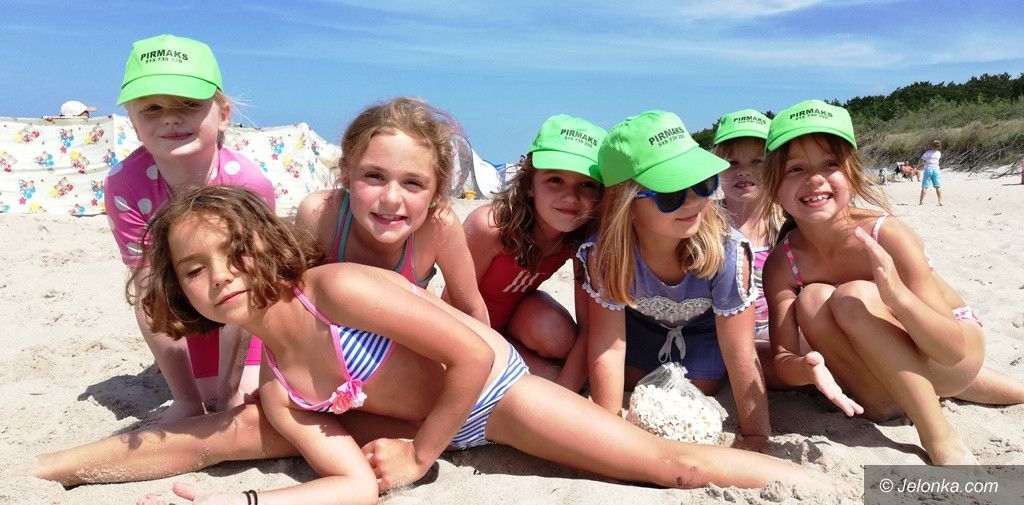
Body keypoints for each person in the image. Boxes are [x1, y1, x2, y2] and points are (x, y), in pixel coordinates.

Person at [35, 185, 830, 503]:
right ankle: (40, 471)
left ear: (266, 243)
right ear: (181, 291)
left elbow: (475, 354)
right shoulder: (277, 381)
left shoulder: (336, 289)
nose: (220, 277)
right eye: (194, 270)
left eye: (233, 253)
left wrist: (420, 454)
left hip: (494, 395)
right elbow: (351, 484)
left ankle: (862, 489)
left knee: (670, 466)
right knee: (235, 431)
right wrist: (240, 503)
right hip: (427, 418)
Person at [757, 99, 1024, 465]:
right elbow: (785, 357)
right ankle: (900, 402)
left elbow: (951, 351)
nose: (815, 179)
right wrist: (806, 367)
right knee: (813, 299)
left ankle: (939, 436)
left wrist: (897, 296)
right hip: (883, 385)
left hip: (950, 349)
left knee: (853, 295)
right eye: (796, 169)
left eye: (830, 164)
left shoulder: (886, 233)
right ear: (774, 188)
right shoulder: (782, 262)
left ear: (853, 174)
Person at [104, 34, 274, 422]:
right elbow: (149, 290)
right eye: (152, 108)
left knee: (239, 398)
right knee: (199, 392)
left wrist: (229, 394)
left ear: (223, 113)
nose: (171, 117)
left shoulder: (247, 183)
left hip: (247, 310)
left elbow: (252, 287)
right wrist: (185, 399)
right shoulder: (125, 184)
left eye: (189, 104)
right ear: (133, 123)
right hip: (190, 311)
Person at [580, 111, 771, 452]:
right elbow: (609, 348)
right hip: (641, 327)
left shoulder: (727, 250)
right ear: (626, 203)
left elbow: (739, 348)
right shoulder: (606, 255)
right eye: (671, 194)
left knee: (705, 382)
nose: (694, 201)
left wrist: (756, 436)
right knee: (631, 378)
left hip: (704, 331)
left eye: (703, 184)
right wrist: (610, 434)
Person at [296, 97, 487, 324]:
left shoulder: (438, 226)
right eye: (374, 176)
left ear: (436, 192)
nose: (391, 198)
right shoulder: (320, 215)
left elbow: (472, 310)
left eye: (412, 182)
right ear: (347, 174)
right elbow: (290, 303)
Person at [455, 114, 604, 385]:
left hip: (515, 322)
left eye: (587, 185)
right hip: (468, 327)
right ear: (529, 185)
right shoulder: (491, 227)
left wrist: (565, 395)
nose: (571, 197)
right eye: (555, 180)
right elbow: (453, 306)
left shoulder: (579, 241)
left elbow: (588, 329)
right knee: (546, 378)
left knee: (560, 340)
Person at [712, 109, 786, 387]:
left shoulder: (786, 223)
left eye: (758, 161)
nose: (743, 170)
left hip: (778, 334)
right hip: (724, 337)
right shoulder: (705, 222)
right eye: (732, 162)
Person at [918, 139, 943, 205]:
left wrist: (918, 166)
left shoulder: (928, 152)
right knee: (937, 186)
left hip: (928, 169)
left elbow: (921, 160)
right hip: (936, 169)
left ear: (932, 146)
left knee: (924, 186)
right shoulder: (939, 153)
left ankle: (921, 201)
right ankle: (940, 201)